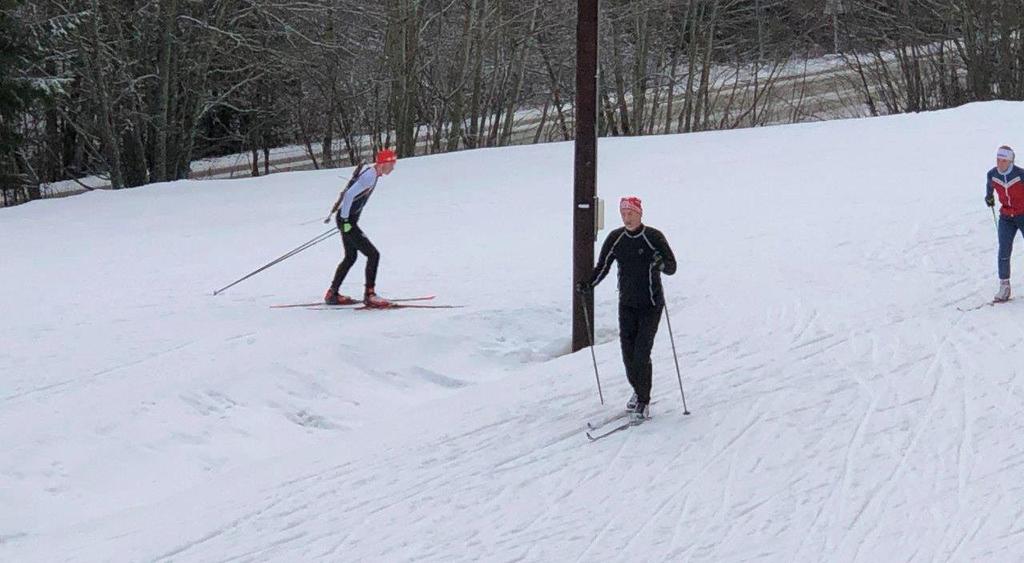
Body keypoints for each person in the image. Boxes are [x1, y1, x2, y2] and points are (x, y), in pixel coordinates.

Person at [576, 196, 677, 425]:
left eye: (631, 213)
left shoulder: (653, 237)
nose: (627, 218)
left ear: (640, 214)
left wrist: (659, 262)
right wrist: (588, 285)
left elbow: (671, 267)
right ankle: (638, 390)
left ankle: (643, 399)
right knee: (628, 355)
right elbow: (603, 265)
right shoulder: (617, 238)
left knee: (642, 353)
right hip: (627, 304)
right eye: (623, 214)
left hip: (651, 304)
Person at [324, 149, 397, 307]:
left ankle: (332, 293)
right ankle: (369, 295)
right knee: (373, 255)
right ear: (384, 163)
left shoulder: (373, 173)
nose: (393, 167)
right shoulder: (370, 176)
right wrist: (344, 220)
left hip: (348, 221)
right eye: (392, 163)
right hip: (347, 221)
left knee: (351, 257)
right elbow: (349, 195)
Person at [985, 145, 1024, 302]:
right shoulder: (993, 174)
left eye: (1003, 160)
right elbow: (989, 188)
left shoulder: (1020, 175)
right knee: (1004, 250)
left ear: (1010, 161)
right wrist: (989, 198)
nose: (999, 163)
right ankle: (1004, 286)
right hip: (1006, 217)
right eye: (998, 160)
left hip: (1023, 214)